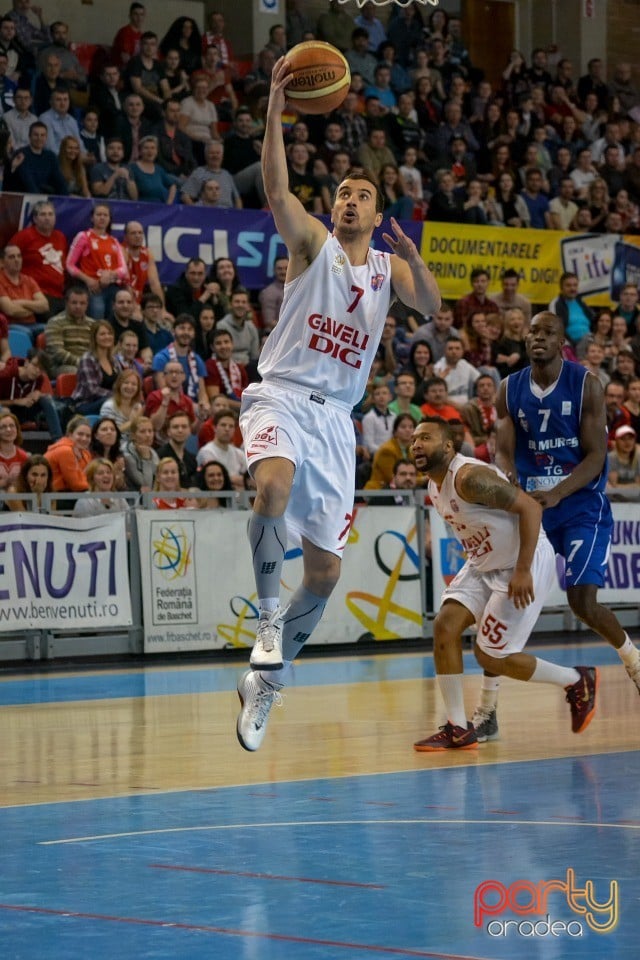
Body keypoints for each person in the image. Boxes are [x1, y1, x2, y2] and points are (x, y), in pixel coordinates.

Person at [234, 53, 441, 753]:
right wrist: (273, 108)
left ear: (378, 213)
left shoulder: (388, 269)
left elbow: (434, 306)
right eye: (343, 192)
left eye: (362, 194)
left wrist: (418, 257)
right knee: (271, 485)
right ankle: (266, 620)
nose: (349, 199)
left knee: (323, 574)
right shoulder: (312, 245)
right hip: (282, 395)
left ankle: (268, 676)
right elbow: (274, 188)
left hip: (335, 422)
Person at [411, 417, 598, 752]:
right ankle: (458, 728)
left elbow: (528, 508)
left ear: (448, 445)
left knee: (490, 655)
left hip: (521, 561)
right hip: (486, 564)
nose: (416, 445)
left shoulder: (468, 478)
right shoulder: (434, 486)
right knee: (445, 626)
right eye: (413, 440)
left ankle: (576, 679)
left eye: (425, 437)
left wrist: (523, 570)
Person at [495, 311, 640, 708]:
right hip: (533, 510)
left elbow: (595, 458)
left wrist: (558, 492)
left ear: (562, 343)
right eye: (532, 332)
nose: (537, 338)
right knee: (503, 602)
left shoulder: (586, 384)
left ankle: (633, 660)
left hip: (579, 505)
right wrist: (509, 481)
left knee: (582, 601)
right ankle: (487, 708)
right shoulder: (508, 389)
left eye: (547, 333)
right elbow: (504, 452)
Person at [65, 204, 129, 320]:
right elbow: (70, 265)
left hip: (112, 287)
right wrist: (88, 280)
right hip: (93, 288)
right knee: (97, 320)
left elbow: (123, 269)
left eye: (105, 215)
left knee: (113, 321)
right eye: (98, 214)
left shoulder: (114, 241)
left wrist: (110, 275)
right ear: (92, 218)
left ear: (109, 219)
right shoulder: (84, 236)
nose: (102, 218)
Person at [9, 199, 68, 316]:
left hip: (59, 295)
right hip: (36, 294)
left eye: (50, 214)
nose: (47, 218)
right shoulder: (24, 236)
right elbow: (6, 260)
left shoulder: (60, 237)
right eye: (43, 214)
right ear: (35, 219)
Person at [0, 348, 62, 440]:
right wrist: (16, 401)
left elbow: (33, 399)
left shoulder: (39, 379)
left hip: (23, 412)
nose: (37, 371)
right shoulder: (6, 375)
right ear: (26, 362)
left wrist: (38, 394)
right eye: (34, 366)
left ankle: (58, 440)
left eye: (41, 369)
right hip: (6, 411)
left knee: (46, 399)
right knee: (5, 411)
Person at [70, 320, 122, 416]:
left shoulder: (114, 360)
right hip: (86, 404)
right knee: (111, 402)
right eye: (102, 334)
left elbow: (120, 384)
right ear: (94, 338)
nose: (107, 337)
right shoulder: (87, 359)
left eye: (109, 333)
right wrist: (115, 396)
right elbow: (92, 390)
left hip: (109, 400)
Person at [44, 283, 95, 378]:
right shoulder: (55, 322)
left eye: (82, 303)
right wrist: (82, 363)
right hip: (61, 366)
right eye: (74, 303)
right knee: (77, 372)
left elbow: (97, 349)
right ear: (66, 303)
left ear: (87, 304)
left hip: (87, 364)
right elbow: (57, 353)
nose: (78, 306)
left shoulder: (93, 324)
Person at [0, 243, 49, 334]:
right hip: (9, 326)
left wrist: (22, 302)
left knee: (50, 330)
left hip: (32, 323)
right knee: (26, 333)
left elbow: (44, 306)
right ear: (2, 262)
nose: (17, 260)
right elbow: (11, 310)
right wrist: (33, 309)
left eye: (19, 256)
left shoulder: (28, 280)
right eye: (12, 257)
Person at [196, 407, 246, 490]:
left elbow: (250, 478)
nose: (227, 429)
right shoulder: (206, 452)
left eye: (231, 426)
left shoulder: (239, 453)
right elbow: (215, 479)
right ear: (214, 427)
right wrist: (241, 480)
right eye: (223, 425)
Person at [45, 414, 92, 493]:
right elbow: (76, 485)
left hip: (72, 493)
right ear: (70, 434)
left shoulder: (85, 452)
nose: (84, 438)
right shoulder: (65, 451)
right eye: (80, 434)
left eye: (88, 436)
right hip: (55, 497)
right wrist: (96, 487)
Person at [156, 412, 198, 489]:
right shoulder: (159, 455)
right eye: (175, 427)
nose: (180, 430)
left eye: (184, 427)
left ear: (189, 431)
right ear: (168, 432)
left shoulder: (192, 459)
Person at [99, 368, 144, 440]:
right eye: (126, 382)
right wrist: (131, 422)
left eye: (134, 384)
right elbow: (108, 434)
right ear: (119, 385)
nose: (130, 387)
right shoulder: (108, 406)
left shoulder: (137, 406)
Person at [122, 414, 157, 492]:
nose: (148, 435)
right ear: (133, 435)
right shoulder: (126, 454)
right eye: (142, 431)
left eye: (150, 431)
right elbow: (146, 485)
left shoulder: (153, 452)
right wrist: (146, 459)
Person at [606, 424, 640, 499]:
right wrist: (634, 486)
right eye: (623, 439)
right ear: (616, 441)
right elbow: (614, 486)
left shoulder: (637, 458)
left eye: (630, 439)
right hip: (616, 500)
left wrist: (620, 486)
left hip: (636, 500)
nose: (627, 442)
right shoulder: (611, 458)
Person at [0, 410, 28, 489]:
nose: (8, 430)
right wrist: (6, 482)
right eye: (3, 427)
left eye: (12, 426)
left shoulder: (23, 456)